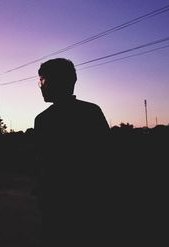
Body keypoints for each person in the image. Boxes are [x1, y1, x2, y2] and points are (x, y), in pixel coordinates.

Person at [34, 58, 110, 246]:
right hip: (92, 204)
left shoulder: (44, 120)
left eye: (43, 80)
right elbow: (108, 157)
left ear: (58, 82)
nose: (40, 86)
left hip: (59, 205)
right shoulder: (92, 112)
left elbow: (43, 162)